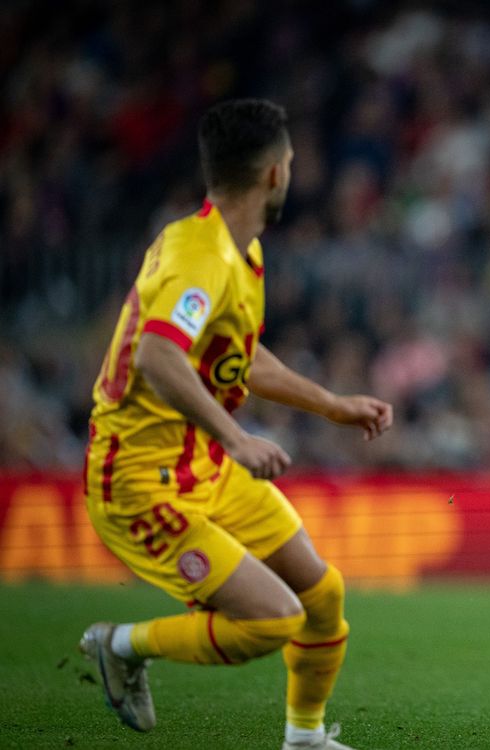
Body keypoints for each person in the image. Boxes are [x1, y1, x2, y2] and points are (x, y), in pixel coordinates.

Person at [79, 99, 393, 750]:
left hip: (201, 465)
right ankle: (121, 645)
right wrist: (236, 437)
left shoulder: (235, 251)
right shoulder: (202, 257)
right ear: (275, 173)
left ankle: (304, 738)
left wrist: (332, 405)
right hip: (140, 481)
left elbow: (241, 358)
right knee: (273, 619)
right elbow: (158, 353)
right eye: (291, 164)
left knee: (322, 596)